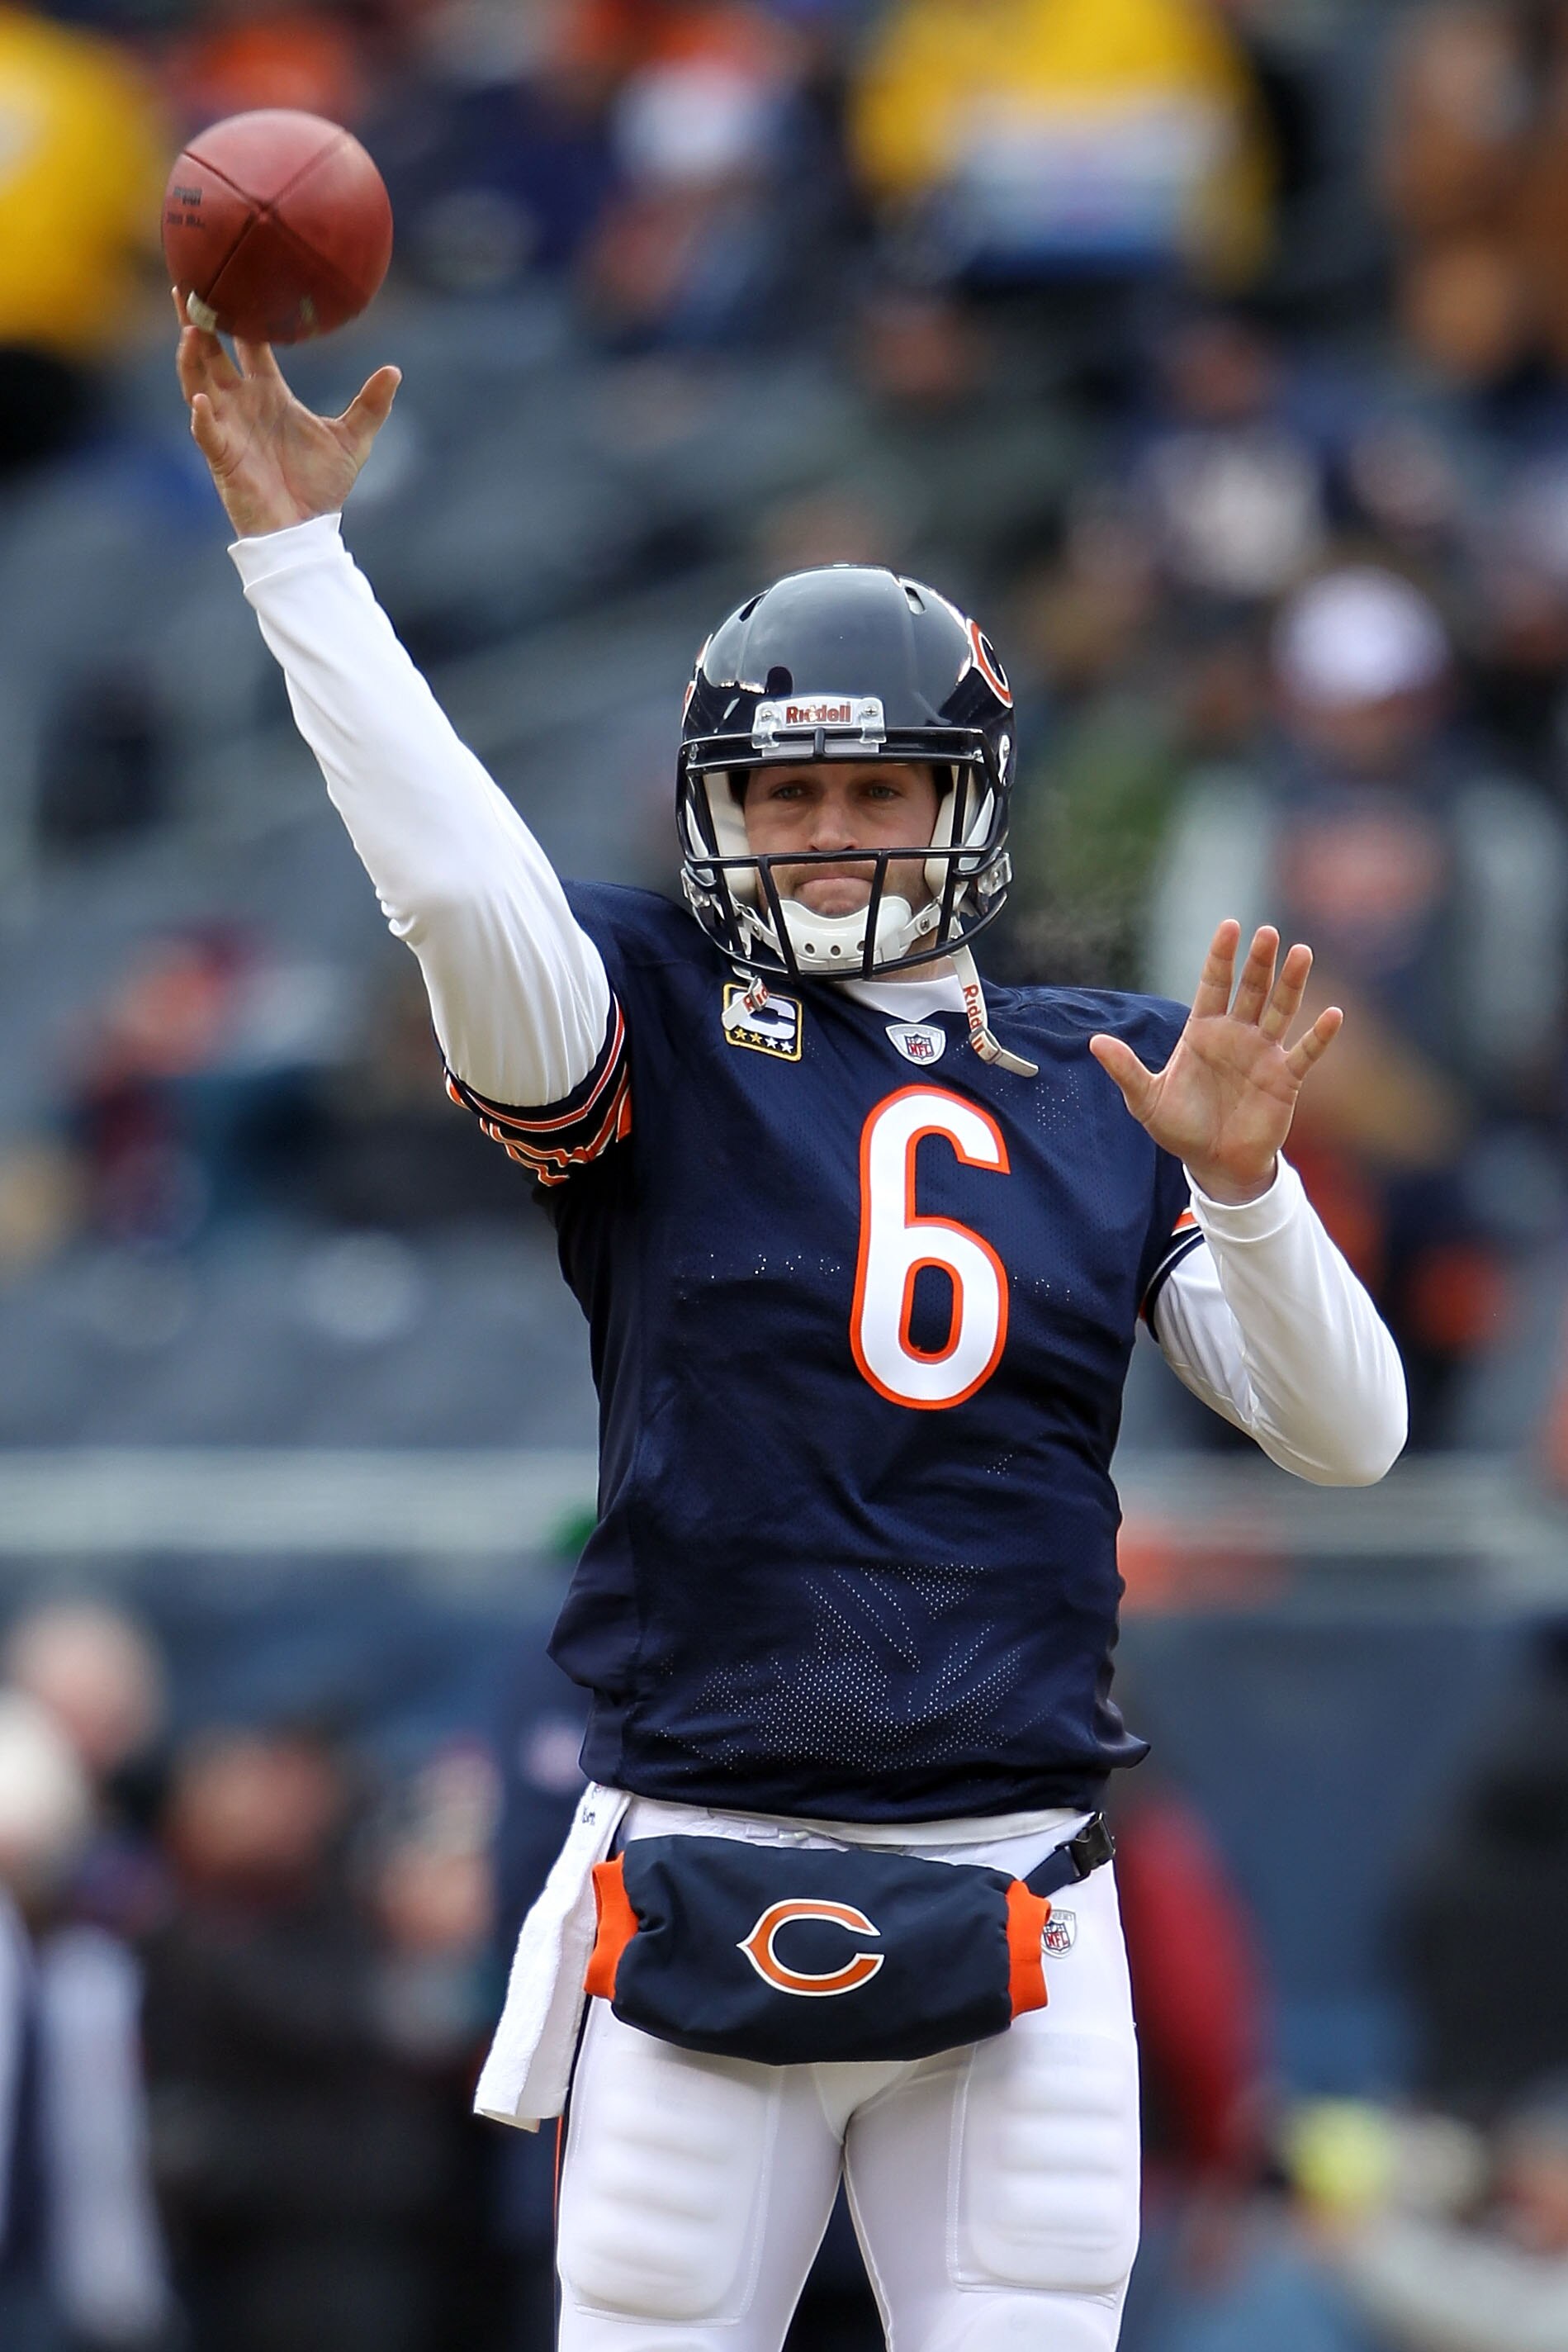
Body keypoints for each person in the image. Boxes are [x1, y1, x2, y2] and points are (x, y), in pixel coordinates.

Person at [173, 297, 1405, 2351]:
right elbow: (459, 896)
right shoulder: (651, 1015)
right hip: (700, 1848)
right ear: (714, 814)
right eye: (785, 795)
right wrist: (301, 561)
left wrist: (1248, 1188)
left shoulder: (1110, 1075)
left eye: (874, 788)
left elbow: (1345, 1435)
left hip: (1016, 1872)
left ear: (966, 798)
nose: (828, 837)